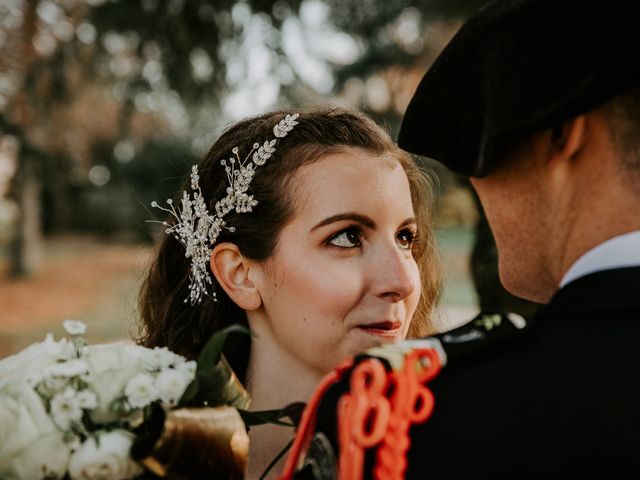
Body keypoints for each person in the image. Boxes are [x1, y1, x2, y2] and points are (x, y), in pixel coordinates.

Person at [297, 0, 640, 477]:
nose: (478, 188)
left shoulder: (399, 416)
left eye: (481, 154)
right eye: (348, 235)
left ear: (561, 133)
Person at [137, 108, 442, 479]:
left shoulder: (461, 453)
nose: (403, 282)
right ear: (241, 275)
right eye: (347, 237)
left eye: (404, 238)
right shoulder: (136, 454)